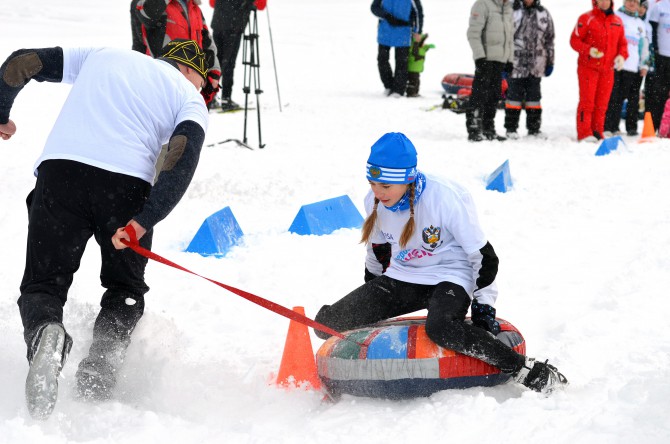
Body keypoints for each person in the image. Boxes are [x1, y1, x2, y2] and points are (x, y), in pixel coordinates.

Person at [0, 39, 209, 419]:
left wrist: (0, 112)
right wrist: (145, 220)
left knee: (43, 283)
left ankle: (46, 331)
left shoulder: (101, 56)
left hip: (60, 173)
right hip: (125, 188)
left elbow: (22, 63)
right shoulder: (189, 98)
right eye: (202, 81)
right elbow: (180, 160)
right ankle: (100, 368)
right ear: (192, 73)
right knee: (124, 287)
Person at [313, 132, 568, 395]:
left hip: (450, 277)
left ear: (407, 179)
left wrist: (484, 306)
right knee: (327, 323)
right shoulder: (375, 201)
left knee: (442, 329)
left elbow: (484, 256)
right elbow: (378, 251)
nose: (378, 193)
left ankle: (524, 370)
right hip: (405, 277)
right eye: (372, 184)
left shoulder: (445, 197)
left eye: (386, 187)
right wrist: (371, 297)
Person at [132, 0, 221, 107]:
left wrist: (213, 74)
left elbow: (207, 44)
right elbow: (148, 14)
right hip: (160, 86)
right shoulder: (147, 4)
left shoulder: (194, 7)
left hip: (190, 87)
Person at [570, 0, 628, 142]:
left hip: (607, 70)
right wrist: (589, 50)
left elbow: (623, 44)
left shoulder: (618, 21)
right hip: (588, 67)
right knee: (588, 102)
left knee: (602, 104)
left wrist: (621, 56)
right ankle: (584, 133)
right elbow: (574, 40)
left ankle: (597, 131)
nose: (603, 2)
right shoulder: (586, 18)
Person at [504, 0, 555, 140]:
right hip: (515, 64)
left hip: (536, 65)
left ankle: (534, 129)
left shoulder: (543, 13)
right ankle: (511, 128)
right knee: (513, 98)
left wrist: (550, 62)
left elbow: (549, 39)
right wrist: (503, 61)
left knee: (534, 98)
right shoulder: (510, 11)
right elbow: (503, 38)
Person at [466, 0, 514, 142]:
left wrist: (509, 59)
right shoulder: (483, 4)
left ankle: (488, 128)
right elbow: (473, 33)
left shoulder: (508, 8)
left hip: (500, 60)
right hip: (485, 59)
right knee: (479, 94)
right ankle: (474, 128)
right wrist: (480, 57)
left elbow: (510, 37)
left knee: (494, 95)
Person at [604, 0, 650, 136]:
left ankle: (631, 127)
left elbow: (644, 47)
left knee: (633, 99)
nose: (632, 4)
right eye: (630, 1)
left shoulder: (641, 24)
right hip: (618, 66)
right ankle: (610, 126)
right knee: (615, 97)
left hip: (634, 68)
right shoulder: (616, 17)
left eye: (635, 2)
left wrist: (644, 65)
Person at [210, 0, 263, 112]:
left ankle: (210, 96)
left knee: (216, 61)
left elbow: (212, 3)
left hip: (219, 23)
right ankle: (225, 98)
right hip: (234, 25)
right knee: (228, 63)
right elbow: (261, 4)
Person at [371, 0, 424, 97]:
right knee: (382, 60)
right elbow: (374, 7)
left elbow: (418, 12)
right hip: (385, 31)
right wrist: (387, 16)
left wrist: (418, 31)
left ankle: (398, 90)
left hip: (403, 32)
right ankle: (389, 86)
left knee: (401, 62)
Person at [645, 0, 670, 131]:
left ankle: (667, 126)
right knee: (658, 93)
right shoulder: (660, 6)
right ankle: (655, 124)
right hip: (661, 56)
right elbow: (652, 29)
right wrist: (655, 50)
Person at [406, 33, 435, 97]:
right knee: (413, 81)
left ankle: (415, 92)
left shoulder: (422, 48)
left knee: (417, 81)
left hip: (416, 69)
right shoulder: (413, 47)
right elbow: (414, 52)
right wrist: (416, 42)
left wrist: (429, 46)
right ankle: (410, 93)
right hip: (412, 68)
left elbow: (428, 47)